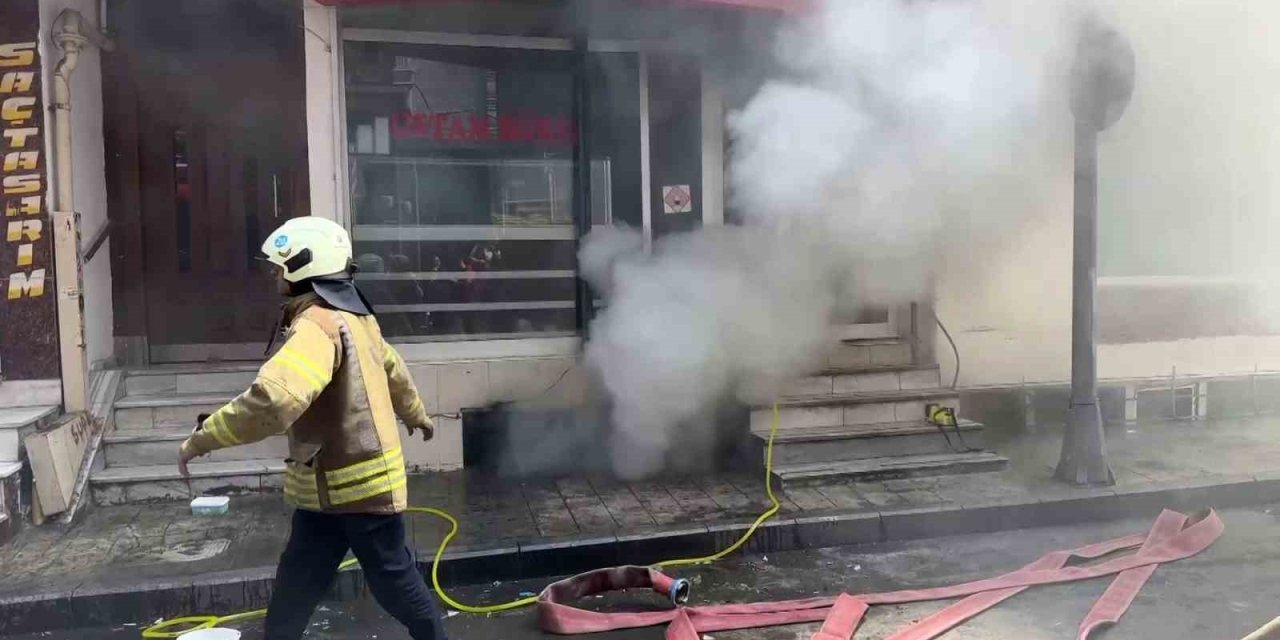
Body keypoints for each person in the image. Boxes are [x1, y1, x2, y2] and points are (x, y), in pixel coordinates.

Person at [177, 217, 448, 640]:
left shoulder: (316, 325)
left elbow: (274, 399)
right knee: (296, 586)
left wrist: (204, 437)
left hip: (358, 492)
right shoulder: (355, 317)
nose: (272, 276)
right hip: (327, 492)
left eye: (277, 267)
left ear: (302, 267)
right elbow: (393, 369)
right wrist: (416, 414)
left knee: (394, 584)